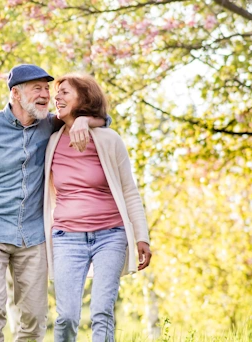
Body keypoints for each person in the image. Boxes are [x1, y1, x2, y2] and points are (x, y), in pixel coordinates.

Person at [0, 64, 109, 342]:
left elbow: (103, 119)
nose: (45, 95)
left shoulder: (50, 125)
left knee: (34, 317)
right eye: (37, 88)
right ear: (16, 93)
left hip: (33, 235)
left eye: (47, 88)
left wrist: (86, 121)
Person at [42, 73, 152, 342]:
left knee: (102, 311)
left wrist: (142, 237)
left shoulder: (109, 139)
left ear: (84, 97)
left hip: (110, 236)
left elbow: (129, 191)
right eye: (57, 93)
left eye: (65, 92)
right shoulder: (50, 139)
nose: (57, 97)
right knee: (66, 316)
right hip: (67, 237)